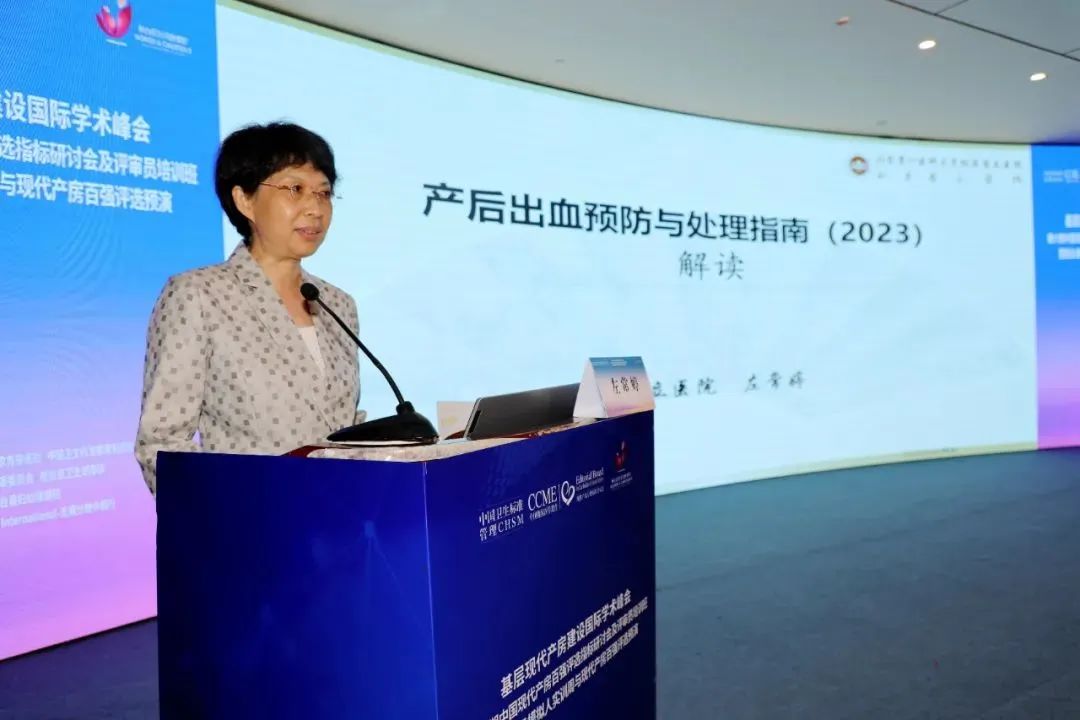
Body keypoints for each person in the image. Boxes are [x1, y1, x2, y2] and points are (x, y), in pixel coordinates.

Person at [135, 122, 363, 493]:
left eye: (323, 193)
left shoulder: (337, 303)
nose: (315, 208)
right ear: (244, 200)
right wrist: (228, 515)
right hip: (247, 520)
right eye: (295, 189)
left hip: (341, 515)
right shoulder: (198, 295)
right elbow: (161, 444)